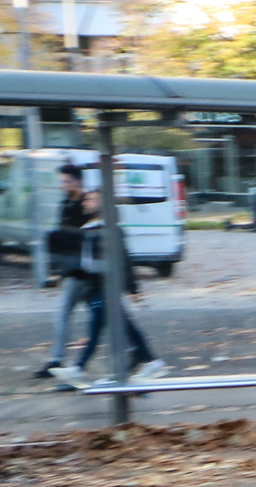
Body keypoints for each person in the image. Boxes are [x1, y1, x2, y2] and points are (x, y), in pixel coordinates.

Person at [49, 214, 167, 387]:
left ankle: (80, 368)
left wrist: (132, 288)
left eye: (90, 199)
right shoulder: (90, 228)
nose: (85, 203)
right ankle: (147, 362)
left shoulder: (110, 230)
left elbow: (124, 259)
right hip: (98, 287)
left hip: (107, 286)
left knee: (105, 327)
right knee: (110, 326)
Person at [33, 166, 94, 379]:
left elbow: (82, 239)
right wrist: (59, 271)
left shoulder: (86, 205)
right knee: (105, 316)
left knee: (62, 315)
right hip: (77, 270)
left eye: (66, 181)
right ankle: (134, 352)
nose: (62, 186)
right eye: (61, 182)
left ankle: (57, 361)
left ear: (77, 181)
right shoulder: (66, 205)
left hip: (82, 271)